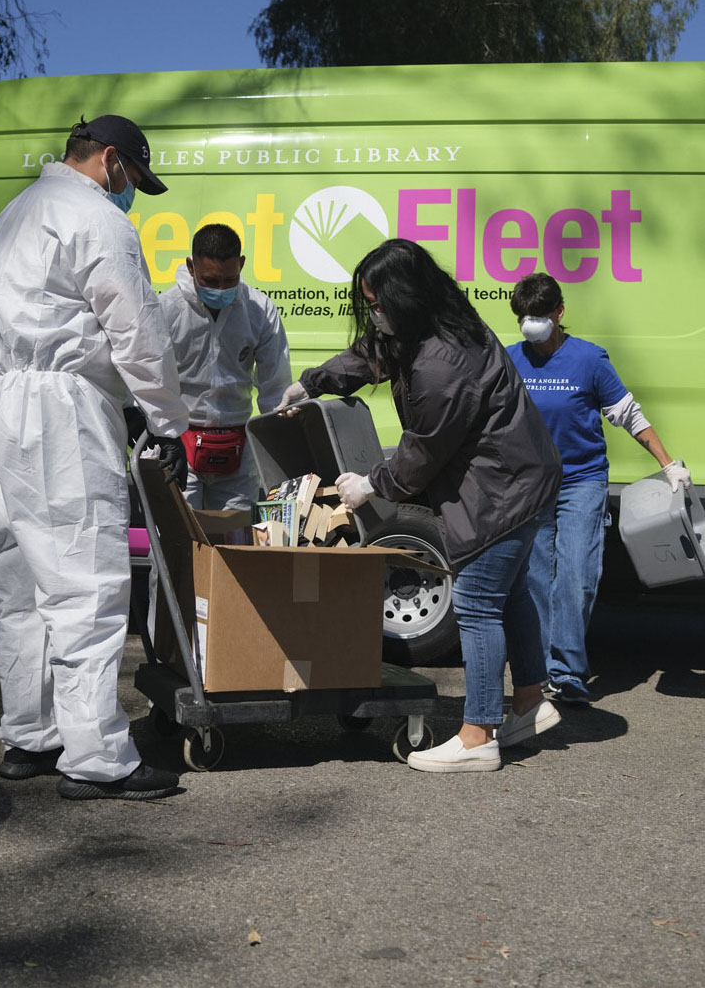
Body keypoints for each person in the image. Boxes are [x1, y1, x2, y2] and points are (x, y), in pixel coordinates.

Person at [0, 115, 190, 802]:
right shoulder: (94, 216)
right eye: (133, 181)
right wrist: (166, 420)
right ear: (111, 162)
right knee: (86, 583)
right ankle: (96, 758)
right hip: (61, 410)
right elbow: (136, 326)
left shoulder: (13, 215)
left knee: (21, 583)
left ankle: (30, 736)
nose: (131, 195)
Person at [278, 239, 563, 773]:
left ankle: (477, 734)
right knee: (515, 591)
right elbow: (371, 355)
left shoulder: (440, 364)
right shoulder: (436, 324)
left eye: (378, 303)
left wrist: (371, 484)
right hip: (522, 479)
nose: (376, 314)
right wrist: (310, 382)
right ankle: (528, 703)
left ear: (403, 298)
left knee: (477, 603)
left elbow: (423, 452)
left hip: (501, 488)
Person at [507, 272, 691, 704]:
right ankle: (540, 671)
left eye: (538, 314)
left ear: (559, 312)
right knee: (534, 577)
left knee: (577, 576)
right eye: (523, 316)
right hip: (531, 484)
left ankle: (567, 672)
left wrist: (668, 465)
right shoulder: (511, 359)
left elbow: (629, 415)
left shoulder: (588, 360)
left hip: (581, 482)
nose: (531, 323)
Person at [156, 222, 291, 510]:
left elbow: (275, 388)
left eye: (230, 281)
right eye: (210, 281)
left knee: (236, 540)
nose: (220, 289)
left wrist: (280, 450)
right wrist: (162, 434)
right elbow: (148, 379)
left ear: (241, 264)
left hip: (238, 445)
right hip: (180, 440)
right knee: (178, 539)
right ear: (191, 267)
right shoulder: (166, 310)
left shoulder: (259, 310)